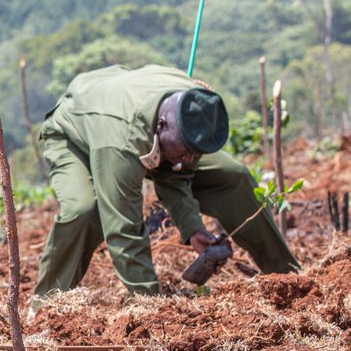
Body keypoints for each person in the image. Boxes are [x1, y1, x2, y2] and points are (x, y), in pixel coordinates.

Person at [32, 64, 299, 304]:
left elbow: (177, 173)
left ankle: (289, 278)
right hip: (76, 131)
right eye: (184, 152)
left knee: (233, 176)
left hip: (128, 101)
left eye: (194, 154)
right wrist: (154, 308)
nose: (189, 160)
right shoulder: (120, 144)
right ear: (162, 126)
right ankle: (46, 305)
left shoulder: (196, 104)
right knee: (85, 211)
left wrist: (192, 228)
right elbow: (123, 230)